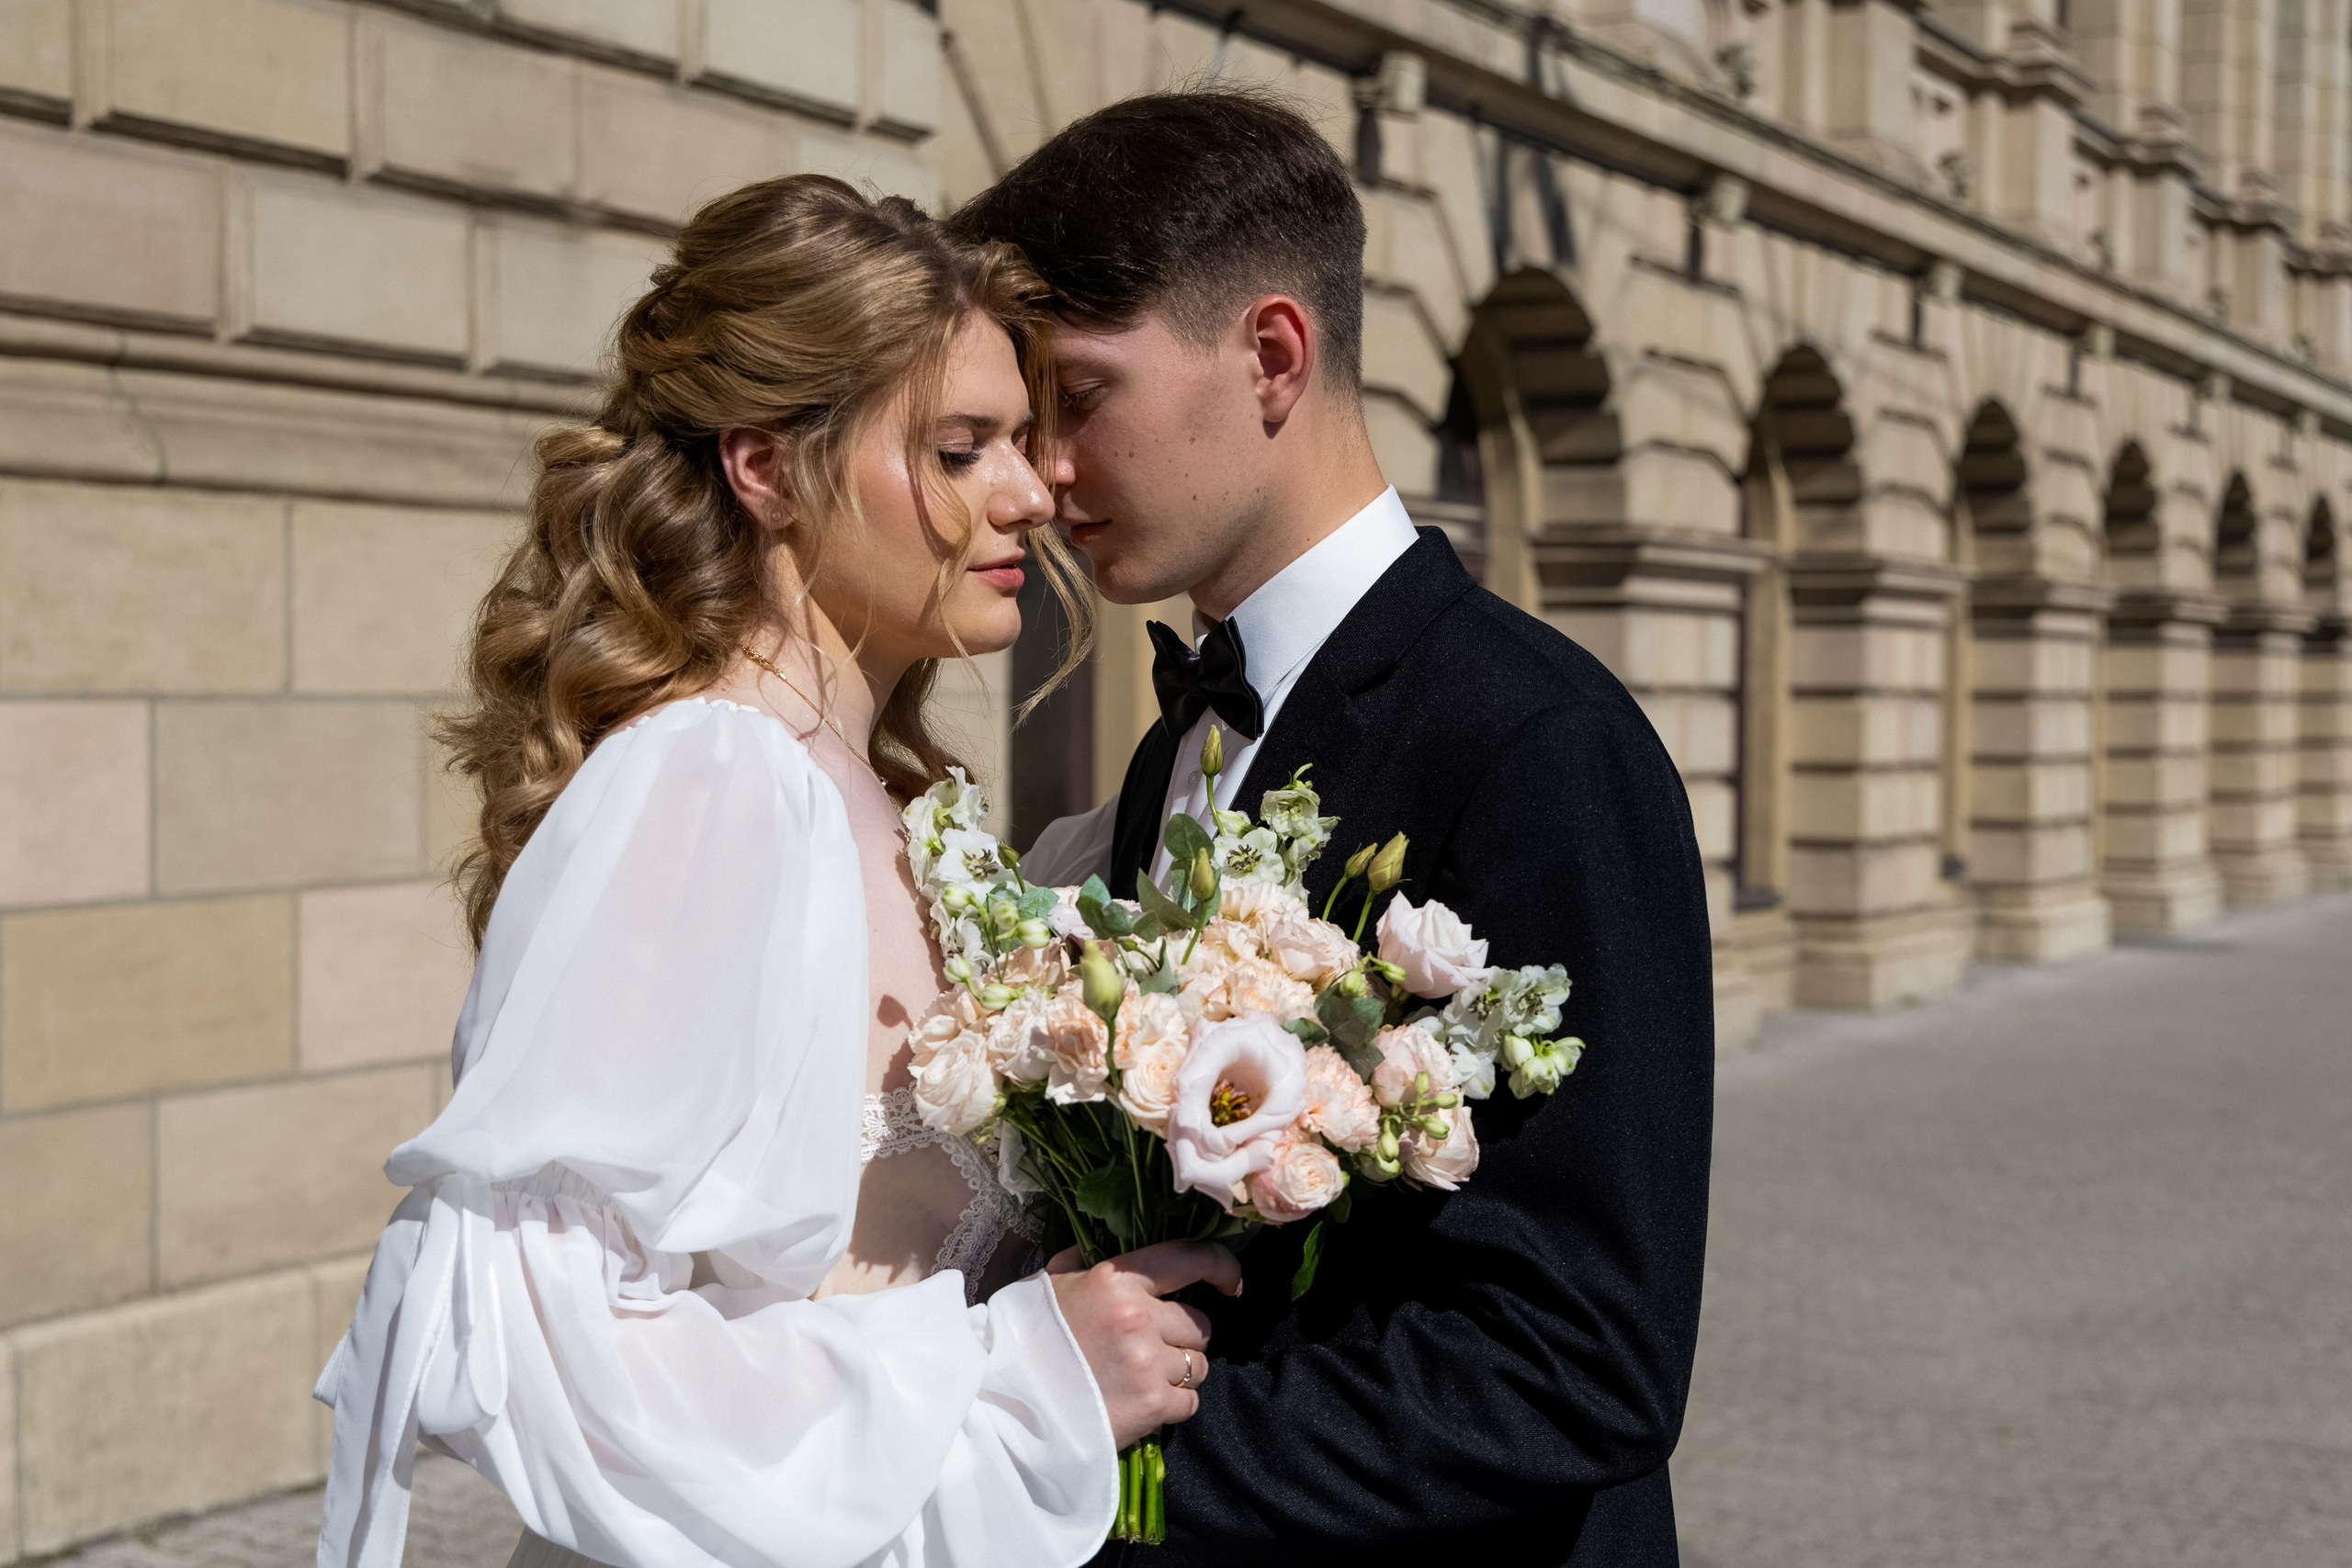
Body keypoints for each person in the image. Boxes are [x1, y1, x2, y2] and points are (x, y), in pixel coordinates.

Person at [314, 175, 1239, 1568]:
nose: (1030, 493)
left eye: (1024, 440)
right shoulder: (711, 780)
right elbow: (549, 1334)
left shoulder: (880, 799)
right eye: (959, 449)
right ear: (765, 468)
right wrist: (1020, 1372)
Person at [956, 92, 1715, 1566]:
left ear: (1273, 356)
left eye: (1080, 396)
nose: (1043, 474)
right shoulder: (1181, 736)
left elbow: (1578, 1361)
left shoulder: (1542, 746)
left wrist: (1096, 1465)